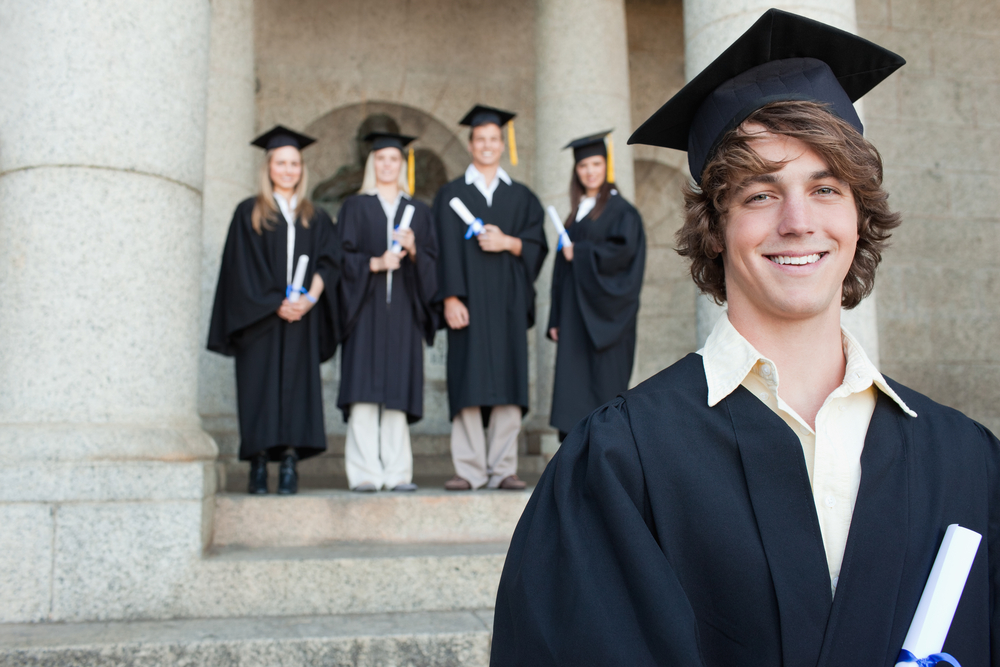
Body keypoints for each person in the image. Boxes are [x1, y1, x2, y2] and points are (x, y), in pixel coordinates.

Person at [492, 10, 1000, 666]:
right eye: (760, 193)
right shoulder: (622, 463)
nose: (797, 220)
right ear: (715, 226)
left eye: (825, 187)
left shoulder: (965, 459)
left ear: (858, 215)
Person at [208, 125, 341, 496]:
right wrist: (274, 303)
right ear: (268, 167)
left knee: (296, 390)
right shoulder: (249, 213)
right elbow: (239, 269)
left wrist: (307, 300)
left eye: (294, 163)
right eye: (281, 162)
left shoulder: (314, 216)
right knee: (259, 390)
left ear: (302, 168)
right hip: (260, 321)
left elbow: (329, 264)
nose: (288, 170)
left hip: (300, 319)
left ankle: (288, 464)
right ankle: (258, 463)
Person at [433, 104, 548, 491]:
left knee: (508, 381)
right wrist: (449, 298)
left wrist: (508, 242)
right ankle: (467, 469)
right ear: (470, 144)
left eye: (493, 139)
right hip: (466, 304)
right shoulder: (450, 196)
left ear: (502, 145)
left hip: (507, 303)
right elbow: (440, 251)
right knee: (468, 381)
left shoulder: (521, 197)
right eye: (479, 138)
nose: (486, 145)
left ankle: (503, 468)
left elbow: (537, 245)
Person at [336, 132, 438, 492]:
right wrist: (374, 263)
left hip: (404, 314)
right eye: (380, 159)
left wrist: (413, 251)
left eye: (393, 159)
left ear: (402, 165)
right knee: (364, 394)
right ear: (372, 164)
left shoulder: (419, 212)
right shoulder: (356, 207)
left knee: (396, 395)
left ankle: (396, 473)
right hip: (364, 310)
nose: (387, 165)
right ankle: (364, 472)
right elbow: (340, 259)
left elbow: (433, 265)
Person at [547, 131, 646, 440]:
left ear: (606, 166)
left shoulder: (622, 212)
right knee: (572, 391)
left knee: (604, 391)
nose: (589, 171)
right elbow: (560, 271)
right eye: (583, 166)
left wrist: (580, 252)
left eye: (595, 164)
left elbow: (624, 256)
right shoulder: (576, 214)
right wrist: (555, 318)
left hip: (608, 318)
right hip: (574, 317)